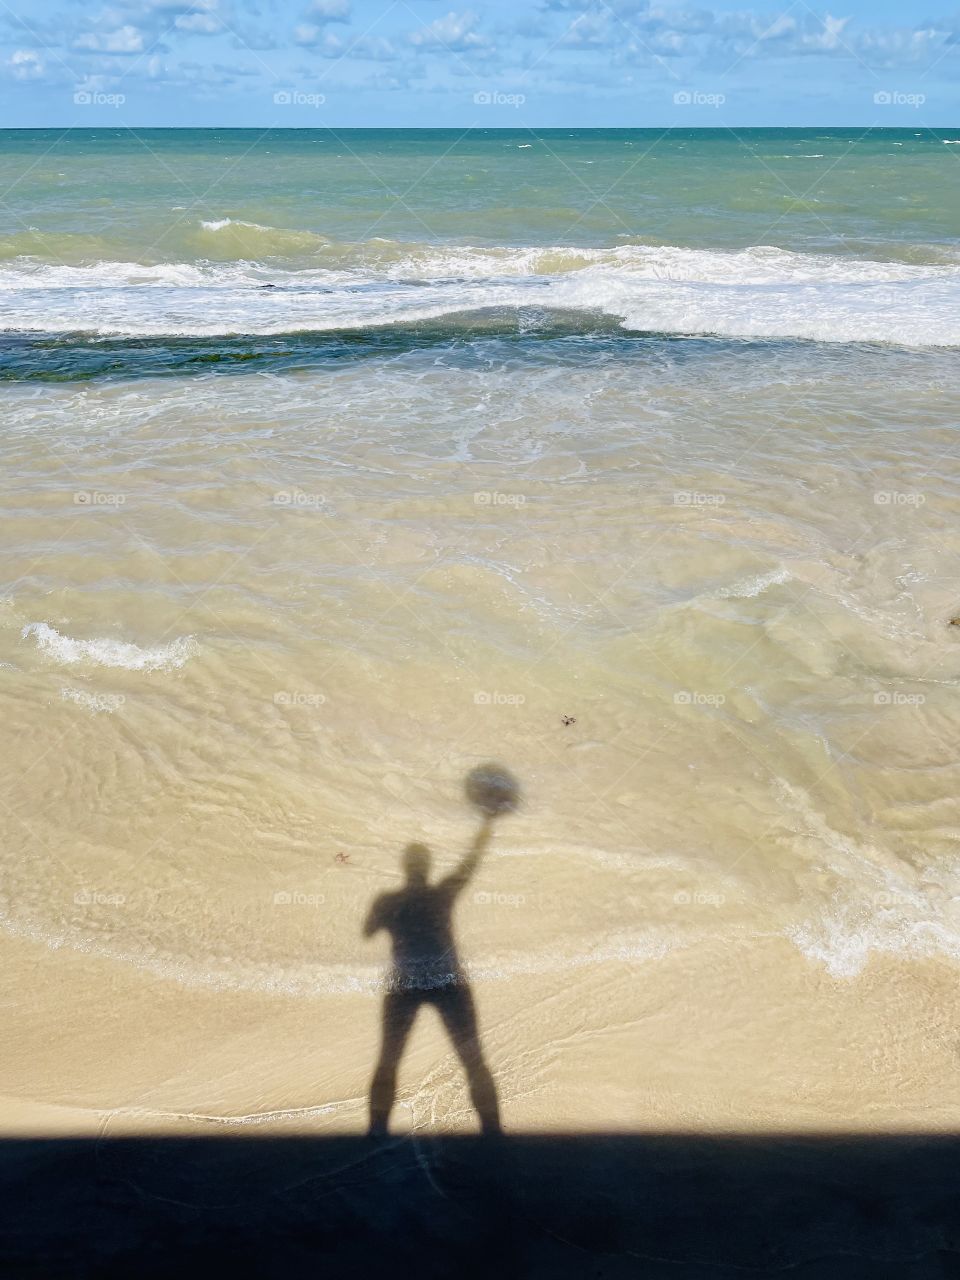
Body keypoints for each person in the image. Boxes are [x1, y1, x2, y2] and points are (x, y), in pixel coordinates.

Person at [364, 813, 502, 1136]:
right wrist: (486, 824)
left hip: (405, 985)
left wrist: (382, 914)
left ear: (405, 867)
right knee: (473, 1059)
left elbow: (367, 931)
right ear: (427, 868)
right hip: (448, 982)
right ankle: (494, 1132)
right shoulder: (442, 894)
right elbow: (471, 864)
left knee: (388, 1060)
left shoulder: (388, 902)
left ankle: (375, 1132)